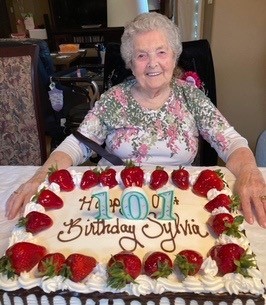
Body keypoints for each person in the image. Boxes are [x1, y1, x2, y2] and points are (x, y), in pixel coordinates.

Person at [6, 12, 266, 228]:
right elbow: (76, 145)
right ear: (130, 63)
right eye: (142, 55)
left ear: (174, 56)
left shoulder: (191, 96)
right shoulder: (113, 98)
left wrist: (250, 173)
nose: (153, 64)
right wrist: (40, 176)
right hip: (117, 207)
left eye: (161, 52)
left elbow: (230, 141)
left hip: (175, 208)